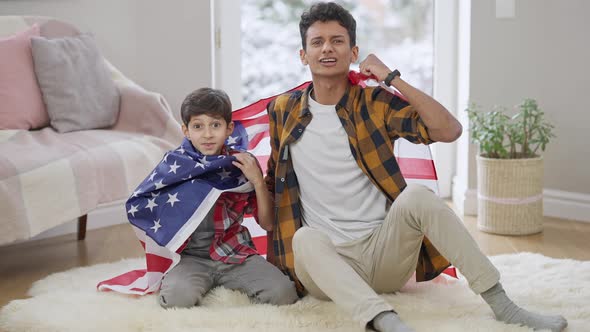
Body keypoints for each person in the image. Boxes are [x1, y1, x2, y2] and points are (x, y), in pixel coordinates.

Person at [263, 2, 568, 332]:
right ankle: (384, 320)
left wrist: (391, 78)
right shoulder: (283, 110)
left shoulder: (374, 103)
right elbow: (273, 187)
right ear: (303, 55)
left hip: (383, 256)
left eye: (337, 41)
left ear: (353, 52)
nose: (327, 48)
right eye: (317, 41)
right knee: (305, 238)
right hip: (327, 270)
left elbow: (448, 130)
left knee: (417, 196)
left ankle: (503, 305)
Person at [158, 88, 298, 308]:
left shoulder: (241, 164)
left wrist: (258, 182)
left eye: (215, 125)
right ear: (185, 130)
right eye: (197, 126)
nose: (207, 134)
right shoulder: (174, 166)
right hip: (191, 258)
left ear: (229, 128)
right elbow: (154, 217)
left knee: (284, 294)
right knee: (175, 301)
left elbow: (268, 223)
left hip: (234, 253)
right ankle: (194, 283)